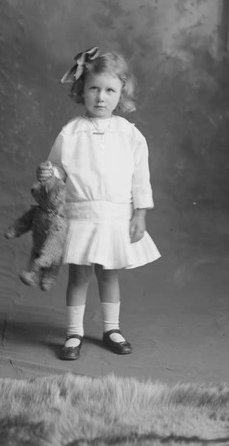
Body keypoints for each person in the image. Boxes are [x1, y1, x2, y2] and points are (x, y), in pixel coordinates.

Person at [37, 47, 161, 361]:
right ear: (83, 90)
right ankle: (74, 331)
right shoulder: (71, 132)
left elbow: (140, 178)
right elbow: (58, 168)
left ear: (122, 93)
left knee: (109, 274)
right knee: (79, 275)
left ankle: (111, 328)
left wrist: (140, 214)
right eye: (94, 89)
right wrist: (49, 173)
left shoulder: (130, 135)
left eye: (110, 90)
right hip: (81, 216)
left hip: (116, 217)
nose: (101, 97)